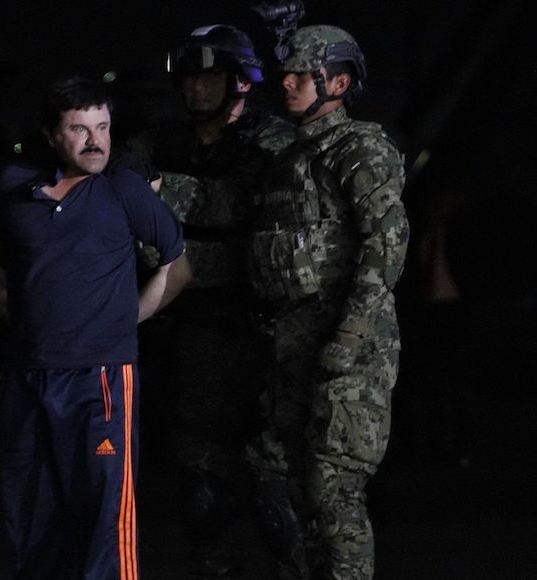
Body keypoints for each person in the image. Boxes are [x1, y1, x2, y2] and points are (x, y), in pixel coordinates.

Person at [0, 76, 191, 580]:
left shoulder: (122, 187)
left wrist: (127, 317)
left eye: (103, 127)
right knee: (31, 519)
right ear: (51, 134)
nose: (95, 140)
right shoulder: (14, 185)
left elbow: (178, 264)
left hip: (99, 378)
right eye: (79, 129)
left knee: (105, 524)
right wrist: (7, 300)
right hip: (27, 377)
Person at [118, 24, 302, 579]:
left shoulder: (272, 141)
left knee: (276, 495)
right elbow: (118, 177)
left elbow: (239, 206)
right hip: (192, 336)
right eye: (189, 78)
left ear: (240, 81)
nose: (196, 88)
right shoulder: (161, 141)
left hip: (261, 335)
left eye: (211, 77)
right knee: (201, 487)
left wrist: (161, 197)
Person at [243, 25, 410, 579]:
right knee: (283, 484)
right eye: (285, 73)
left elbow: (386, 244)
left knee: (333, 493)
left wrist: (350, 337)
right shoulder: (294, 155)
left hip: (346, 353)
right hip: (292, 345)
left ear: (337, 83)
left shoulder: (359, 148)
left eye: (301, 75)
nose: (286, 83)